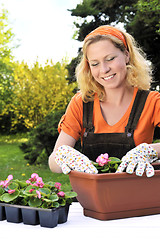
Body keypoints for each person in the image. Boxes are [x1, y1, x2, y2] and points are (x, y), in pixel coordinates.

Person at [48, 25, 160, 177]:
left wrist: (151, 150)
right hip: (89, 198)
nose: (104, 69)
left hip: (137, 195)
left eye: (110, 59)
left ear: (126, 55)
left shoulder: (152, 102)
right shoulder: (81, 103)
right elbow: (53, 162)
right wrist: (61, 156)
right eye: (95, 64)